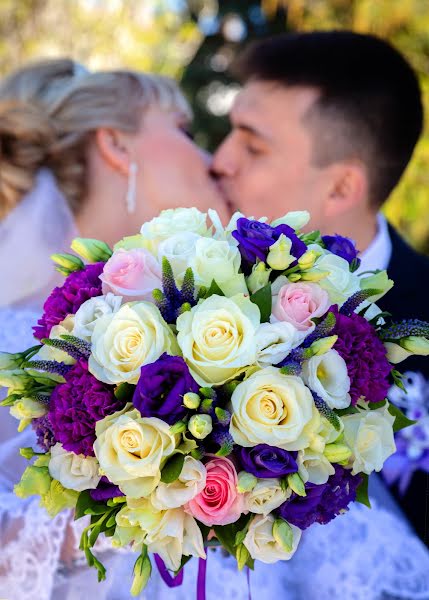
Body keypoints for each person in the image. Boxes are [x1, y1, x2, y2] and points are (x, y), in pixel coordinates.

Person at [0, 58, 229, 600]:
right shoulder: (13, 349)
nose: (213, 159)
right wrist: (140, 507)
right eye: (184, 130)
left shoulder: (219, 321)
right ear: (117, 146)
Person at [212, 30, 429, 546]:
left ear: (340, 187)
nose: (220, 159)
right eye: (229, 132)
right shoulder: (187, 297)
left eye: (252, 143)